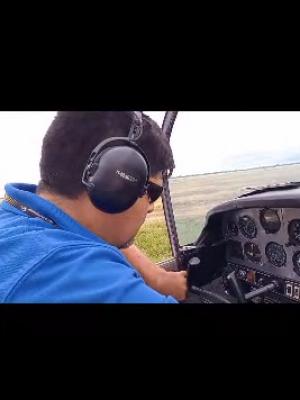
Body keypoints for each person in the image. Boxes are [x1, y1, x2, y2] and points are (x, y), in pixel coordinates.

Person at [0, 111, 187, 303]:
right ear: (116, 182)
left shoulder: (17, 216)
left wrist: (157, 276)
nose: (151, 208)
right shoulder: (84, 279)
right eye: (152, 194)